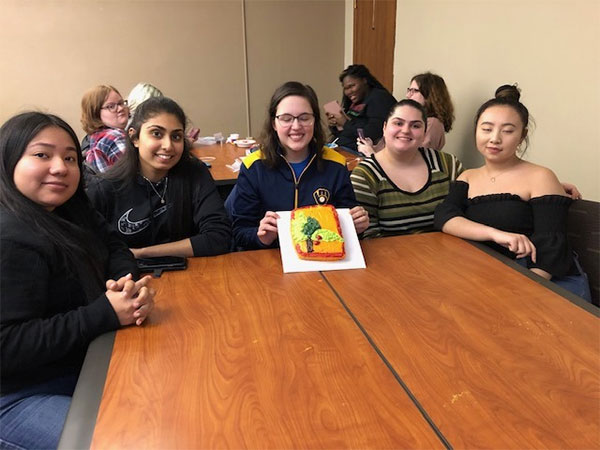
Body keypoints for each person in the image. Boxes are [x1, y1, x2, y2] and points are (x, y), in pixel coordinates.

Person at [0, 112, 155, 449]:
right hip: (18, 394)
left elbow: (114, 243)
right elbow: (7, 345)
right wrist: (106, 312)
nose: (60, 167)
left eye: (70, 157)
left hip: (84, 364)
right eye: (42, 155)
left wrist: (124, 283)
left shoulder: (69, 209)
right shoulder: (9, 238)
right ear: (9, 159)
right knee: (127, 440)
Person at [434, 86, 591, 301]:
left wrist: (517, 294)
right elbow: (445, 217)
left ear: (522, 135)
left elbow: (551, 246)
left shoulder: (541, 176)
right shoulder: (467, 177)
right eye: (486, 129)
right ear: (476, 130)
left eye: (507, 131)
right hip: (487, 276)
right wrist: (496, 234)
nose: (495, 138)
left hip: (540, 279)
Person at [229, 81, 369, 250]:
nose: (296, 126)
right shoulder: (254, 167)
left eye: (304, 118)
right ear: (274, 123)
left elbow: (346, 225)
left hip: (322, 257)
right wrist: (262, 238)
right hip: (270, 259)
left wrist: (357, 226)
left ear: (315, 121)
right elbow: (239, 232)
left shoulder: (336, 164)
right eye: (286, 119)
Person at [87, 96, 232, 258]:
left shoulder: (195, 173)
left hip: (192, 276)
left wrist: (140, 253)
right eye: (156, 134)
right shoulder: (105, 188)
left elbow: (219, 238)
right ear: (135, 138)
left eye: (176, 136)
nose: (168, 146)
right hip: (130, 280)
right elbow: (90, 252)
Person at [351, 99, 463, 238]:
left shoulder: (448, 164)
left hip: (450, 252)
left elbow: (463, 216)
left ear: (424, 132)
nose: (405, 130)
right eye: (398, 123)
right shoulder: (365, 175)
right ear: (384, 128)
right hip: (392, 255)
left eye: (415, 126)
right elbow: (368, 235)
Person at [357, 72, 454, 156]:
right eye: (409, 90)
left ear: (430, 95)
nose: (408, 95)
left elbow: (410, 160)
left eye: (414, 91)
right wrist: (372, 147)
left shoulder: (433, 123)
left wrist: (370, 153)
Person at [326, 64, 396, 153]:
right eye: (346, 88)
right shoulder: (354, 102)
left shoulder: (379, 98)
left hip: (360, 152)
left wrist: (345, 123)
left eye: (352, 86)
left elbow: (371, 134)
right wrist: (335, 125)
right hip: (340, 146)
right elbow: (348, 132)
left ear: (364, 80)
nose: (348, 92)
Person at [81, 85, 129, 173]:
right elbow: (137, 174)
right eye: (111, 106)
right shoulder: (115, 137)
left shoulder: (93, 139)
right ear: (95, 113)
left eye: (121, 103)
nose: (121, 108)